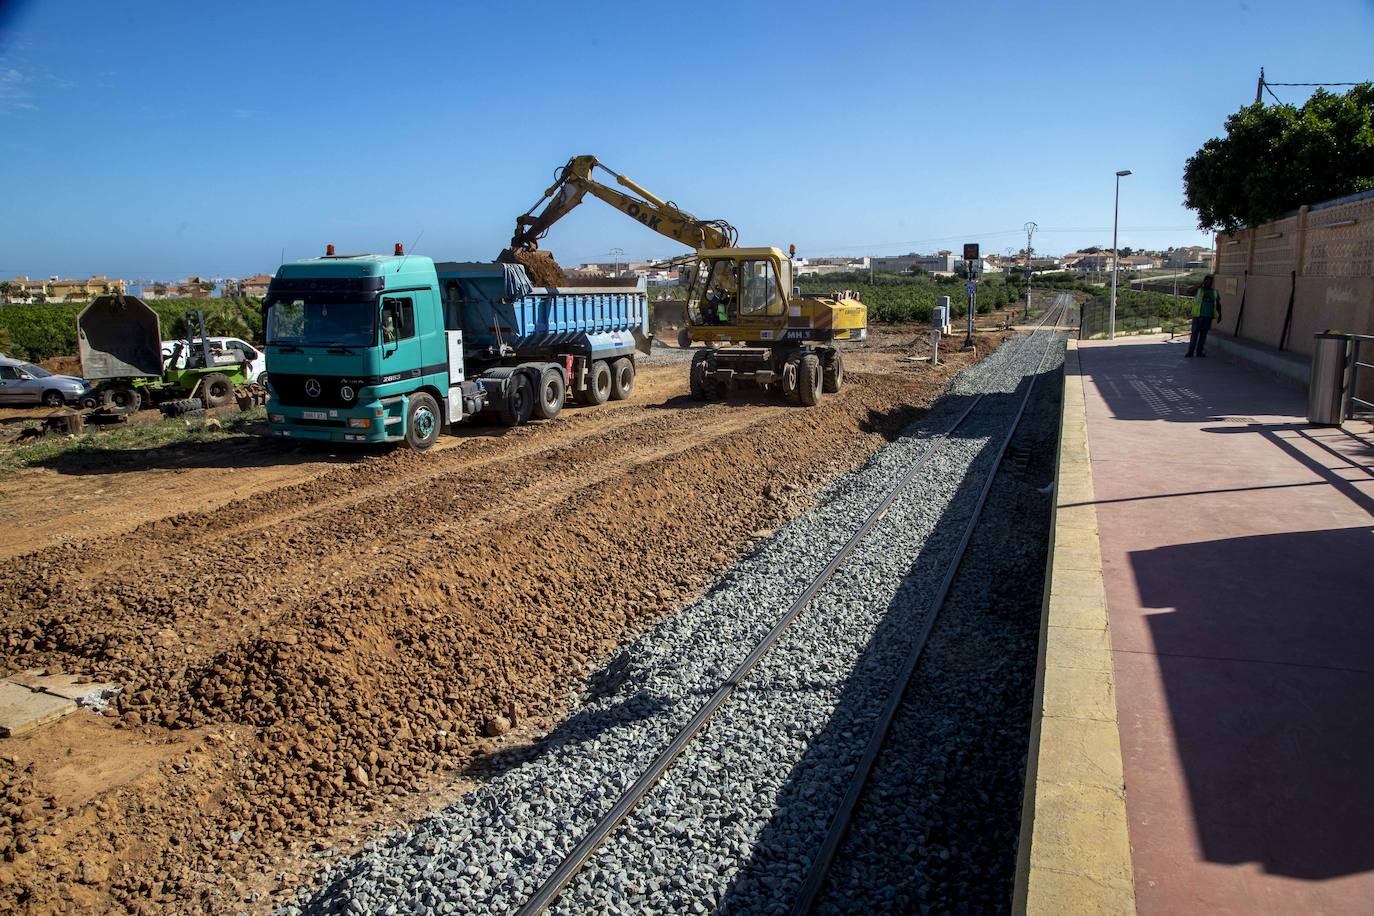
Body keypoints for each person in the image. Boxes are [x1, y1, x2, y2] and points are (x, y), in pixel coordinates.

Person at [1186, 274, 1222, 358]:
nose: (1208, 283)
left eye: (1210, 282)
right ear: (1204, 281)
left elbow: (1218, 304)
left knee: (1203, 336)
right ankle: (1190, 352)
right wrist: (1199, 285)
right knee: (1194, 335)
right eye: (1206, 281)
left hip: (1207, 317)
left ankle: (1199, 352)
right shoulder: (1199, 290)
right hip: (1198, 317)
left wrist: (1220, 314)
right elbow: (1189, 291)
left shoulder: (1214, 292)